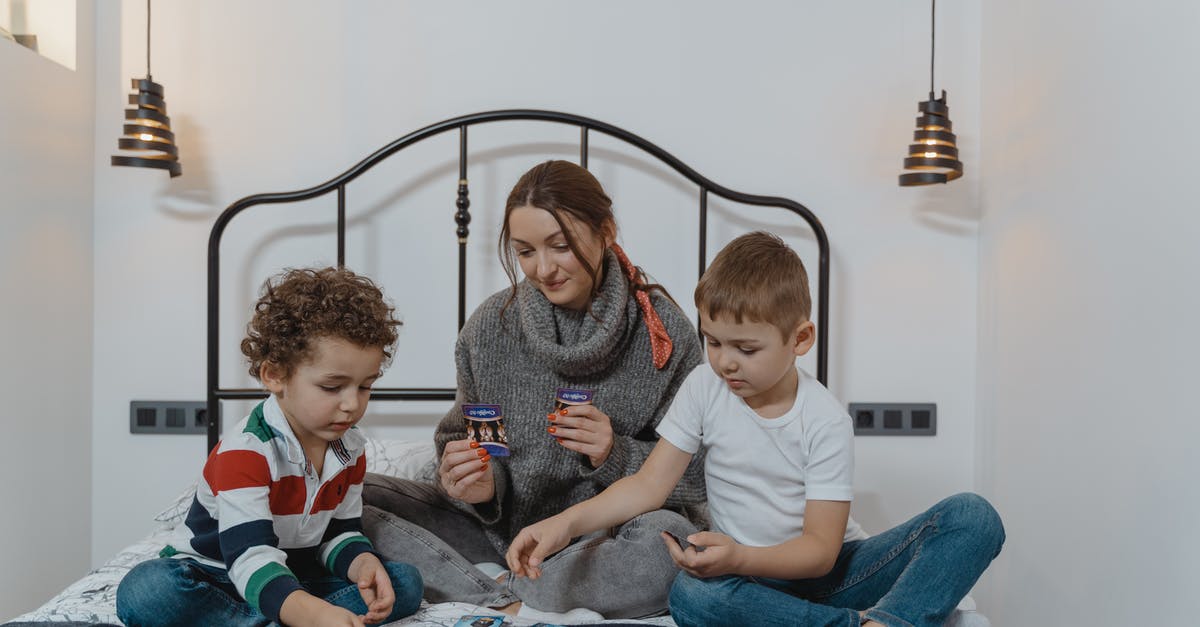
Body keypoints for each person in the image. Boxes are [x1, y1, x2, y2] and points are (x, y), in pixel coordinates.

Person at [505, 232, 1005, 627]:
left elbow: (820, 551)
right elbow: (648, 485)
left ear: (800, 338)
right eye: (713, 342)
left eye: (745, 349)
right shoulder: (705, 387)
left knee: (973, 517)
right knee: (691, 596)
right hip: (751, 584)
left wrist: (741, 556)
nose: (725, 363)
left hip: (831, 573)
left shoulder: (824, 419)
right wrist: (565, 524)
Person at [362, 160, 706, 621]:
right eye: (525, 252)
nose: (543, 269)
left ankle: (488, 586)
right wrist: (479, 486)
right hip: (494, 533)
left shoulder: (663, 336)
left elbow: (700, 473)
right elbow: (464, 438)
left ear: (606, 232)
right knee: (344, 497)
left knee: (671, 546)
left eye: (560, 246)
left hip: (600, 542)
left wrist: (615, 454)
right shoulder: (489, 330)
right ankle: (503, 594)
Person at [116, 267, 424, 627]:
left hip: (295, 575)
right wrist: (314, 613)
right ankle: (296, 617)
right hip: (222, 574)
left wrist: (363, 564)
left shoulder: (350, 449)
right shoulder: (245, 451)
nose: (352, 404)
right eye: (332, 387)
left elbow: (339, 535)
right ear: (274, 375)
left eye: (365, 386)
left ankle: (276, 617)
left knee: (404, 582)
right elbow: (250, 557)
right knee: (147, 590)